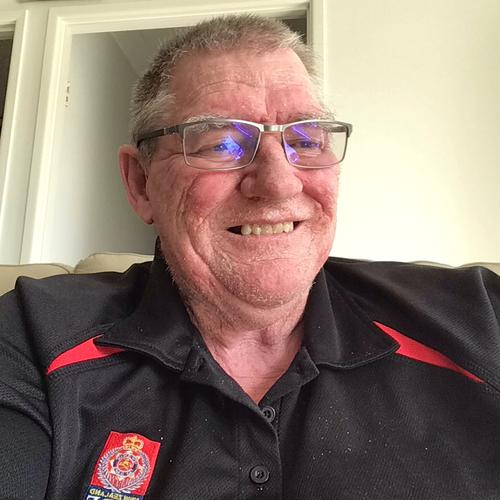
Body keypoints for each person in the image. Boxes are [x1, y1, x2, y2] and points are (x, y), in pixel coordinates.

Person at [1, 14, 499, 500]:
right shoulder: (33, 332)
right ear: (141, 183)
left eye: (306, 139)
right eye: (221, 143)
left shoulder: (480, 317)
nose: (280, 183)